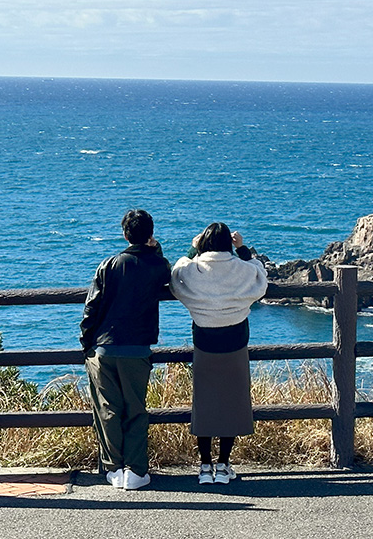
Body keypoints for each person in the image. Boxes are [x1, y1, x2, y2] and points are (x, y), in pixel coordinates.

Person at [169, 222, 267, 486]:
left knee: (205, 403)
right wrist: (242, 248)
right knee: (231, 404)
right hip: (235, 341)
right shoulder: (241, 269)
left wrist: (192, 248)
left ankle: (204, 467)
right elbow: (261, 276)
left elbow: (175, 274)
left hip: (204, 342)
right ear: (228, 243)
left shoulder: (194, 269)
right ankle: (223, 466)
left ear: (204, 243)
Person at [79, 209, 171, 490]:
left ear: (124, 234)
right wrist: (157, 248)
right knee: (136, 410)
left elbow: (90, 308)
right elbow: (165, 271)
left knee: (108, 410)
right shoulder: (157, 266)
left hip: (104, 348)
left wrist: (87, 343)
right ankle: (137, 470)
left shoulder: (108, 264)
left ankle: (114, 468)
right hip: (137, 347)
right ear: (150, 235)